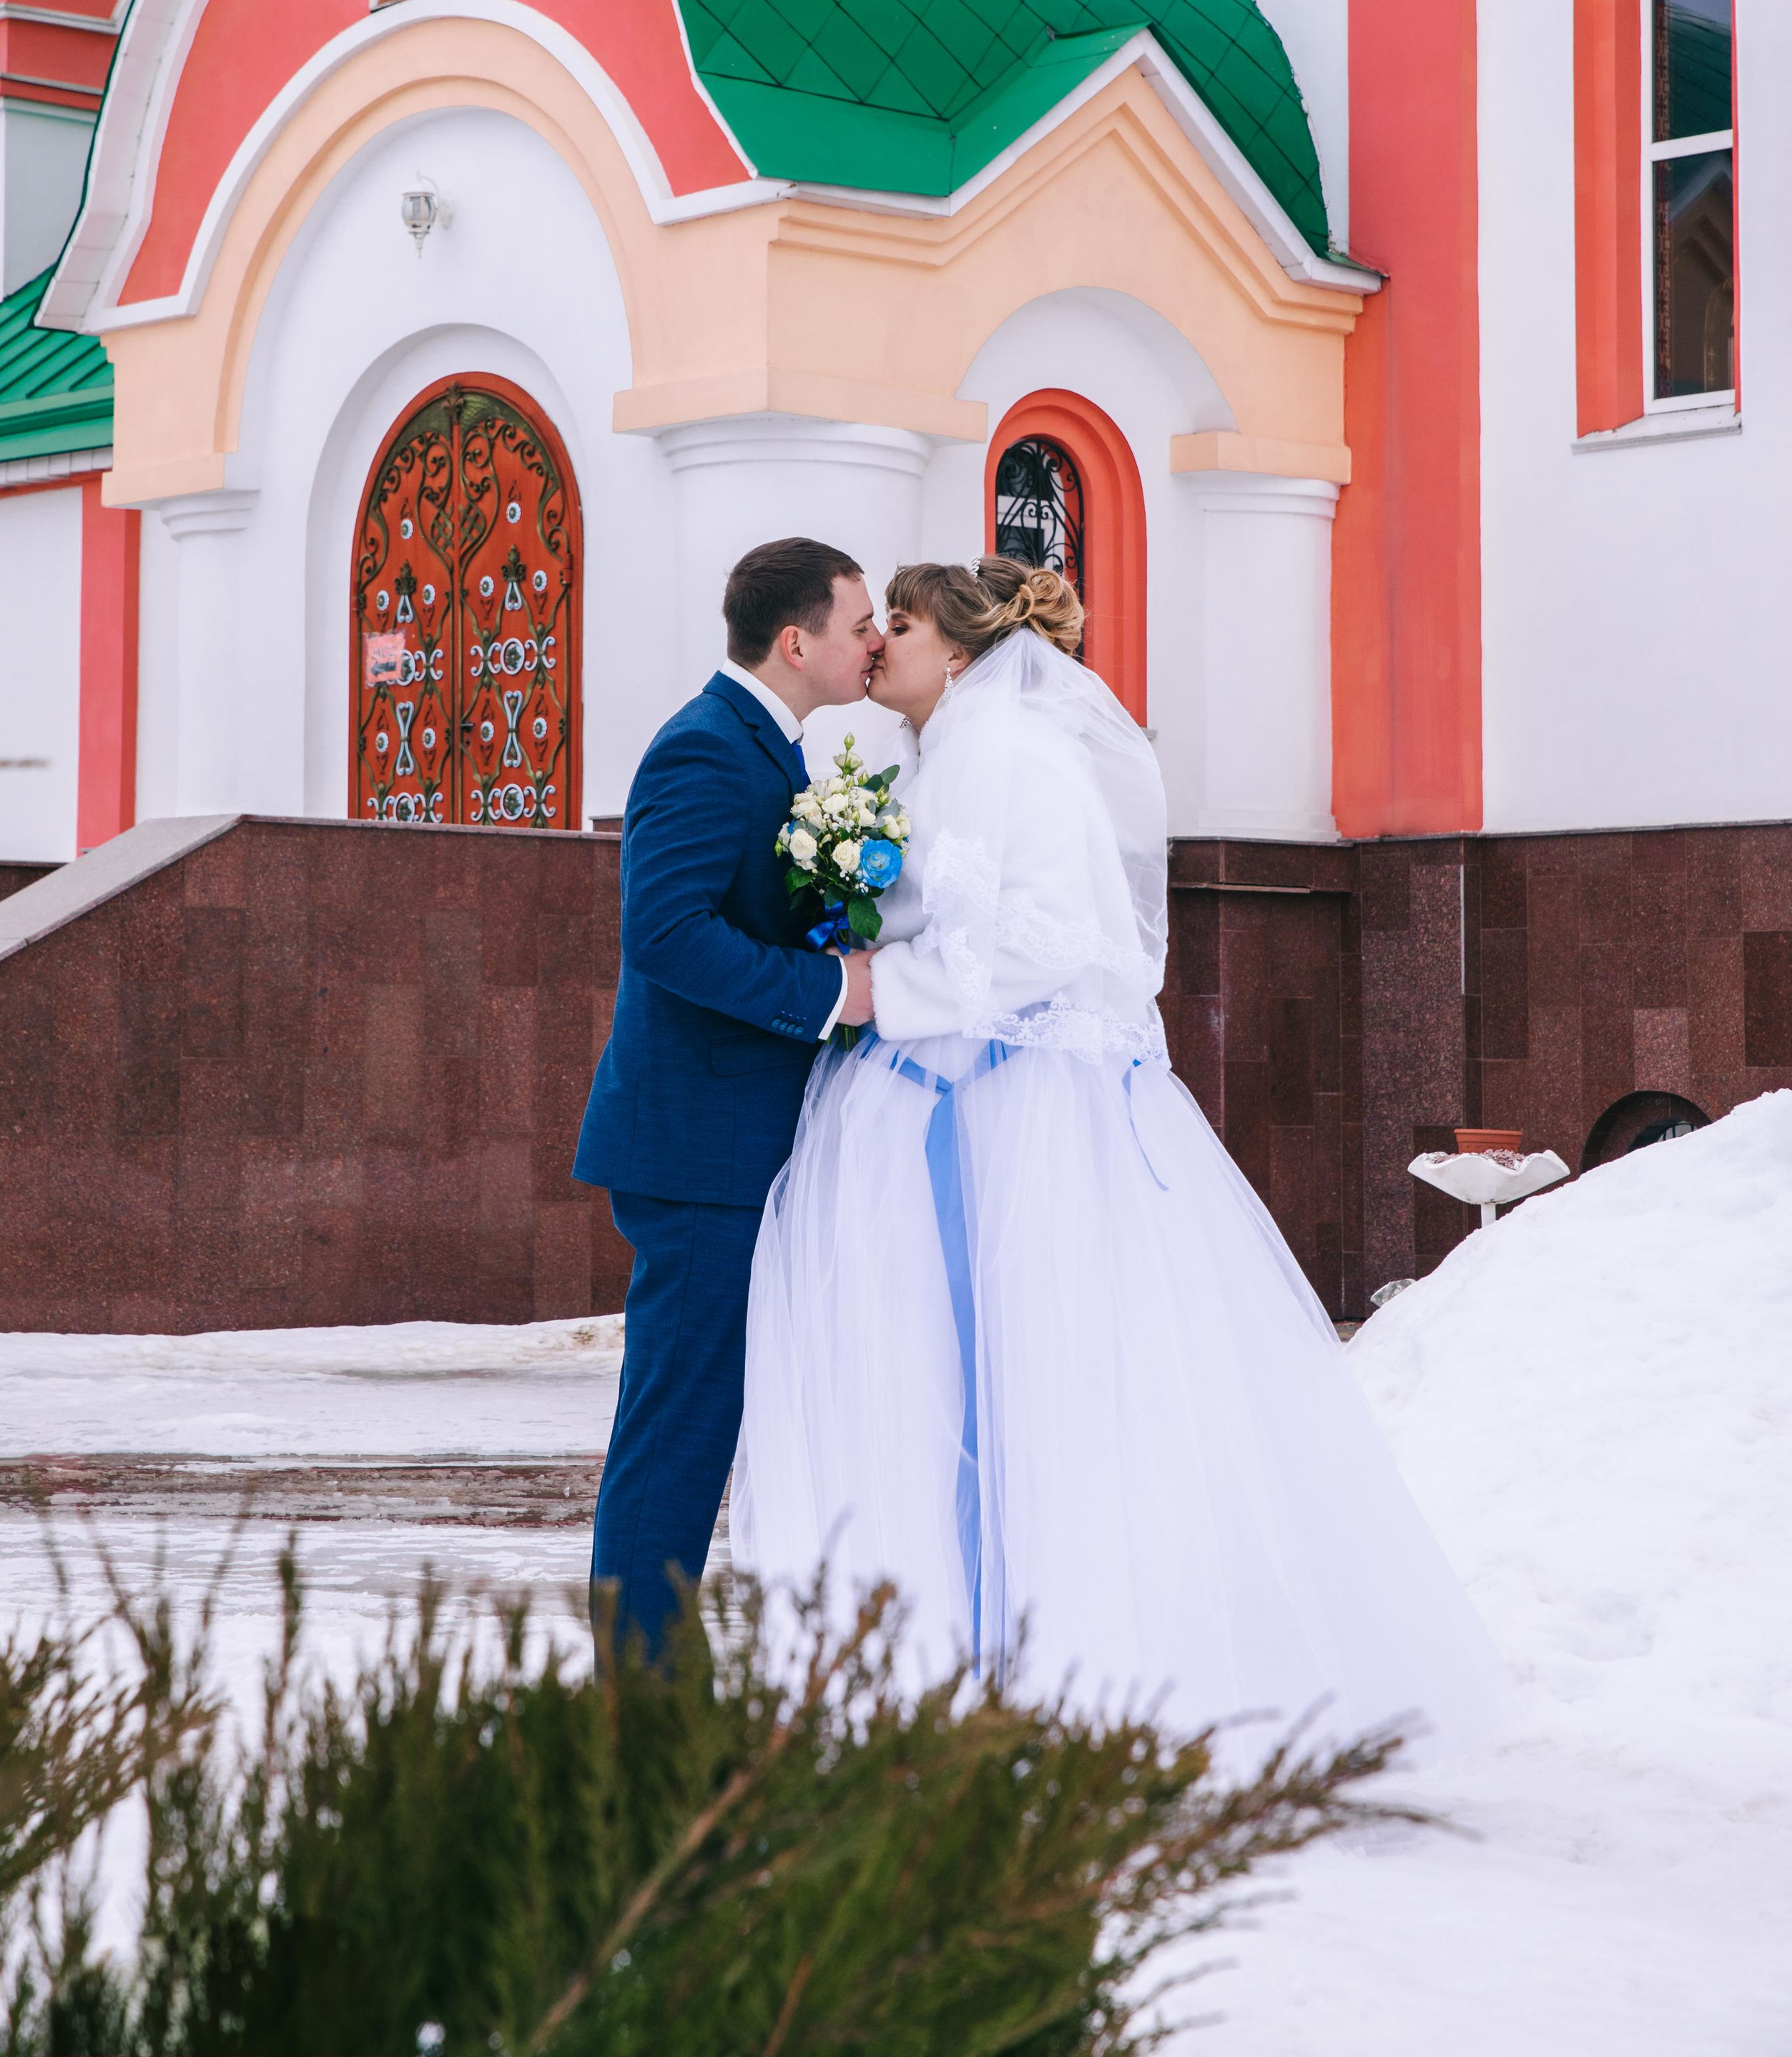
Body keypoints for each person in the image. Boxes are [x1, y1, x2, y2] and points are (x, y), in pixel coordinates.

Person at [732, 556, 1507, 1762]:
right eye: (873, 621)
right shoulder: (942, 753)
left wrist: (889, 991)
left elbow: (1050, 943)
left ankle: (1039, 1676)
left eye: (904, 622)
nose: (881, 642)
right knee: (950, 1380)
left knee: (1029, 1385)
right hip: (952, 1099)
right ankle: (955, 1660)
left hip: (1006, 1113)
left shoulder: (1008, 756)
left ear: (966, 651)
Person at [578, 537, 881, 1655]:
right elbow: (664, 933)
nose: (877, 641)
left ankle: (652, 1676)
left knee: (697, 1423)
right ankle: (639, 1697)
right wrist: (829, 991)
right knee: (679, 1431)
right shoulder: (709, 749)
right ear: (796, 642)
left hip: (729, 1144)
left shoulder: (771, 747)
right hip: (698, 1153)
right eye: (859, 624)